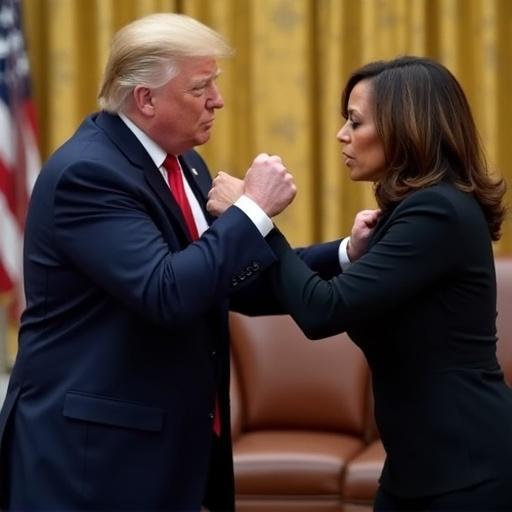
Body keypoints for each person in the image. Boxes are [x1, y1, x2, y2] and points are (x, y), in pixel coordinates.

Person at [0, 13, 302, 511]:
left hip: (166, 450)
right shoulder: (89, 174)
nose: (217, 101)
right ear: (146, 99)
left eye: (216, 85)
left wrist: (344, 255)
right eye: (201, 87)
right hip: (93, 463)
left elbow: (221, 279)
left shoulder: (185, 163)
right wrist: (252, 210)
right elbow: (168, 292)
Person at [209, 56, 512, 511]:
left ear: (405, 127)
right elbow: (283, 295)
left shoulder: (438, 213)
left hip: (467, 471)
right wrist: (346, 252)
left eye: (355, 121)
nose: (342, 135)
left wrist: (253, 217)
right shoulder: (416, 212)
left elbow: (320, 311)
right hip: (420, 470)